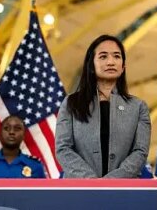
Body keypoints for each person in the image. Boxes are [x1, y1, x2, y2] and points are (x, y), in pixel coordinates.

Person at [55, 34, 151, 178]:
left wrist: (111, 182)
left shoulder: (138, 107)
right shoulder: (71, 103)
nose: (111, 62)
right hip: (79, 191)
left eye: (117, 56)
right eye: (103, 56)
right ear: (91, 65)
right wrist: (92, 182)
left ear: (123, 66)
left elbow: (140, 152)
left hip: (123, 192)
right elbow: (63, 148)